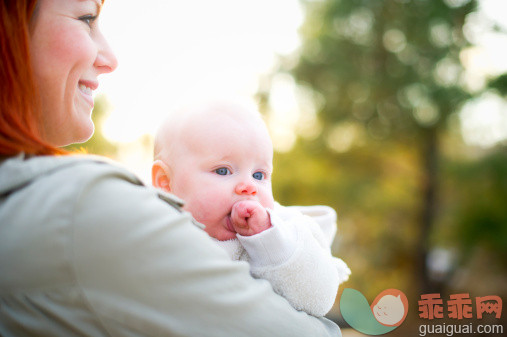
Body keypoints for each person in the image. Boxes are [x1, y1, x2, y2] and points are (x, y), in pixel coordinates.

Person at [0, 1, 342, 336]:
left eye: (260, 175)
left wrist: (274, 242)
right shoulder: (82, 208)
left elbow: (316, 291)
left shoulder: (281, 231)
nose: (110, 58)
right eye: (86, 18)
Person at [152, 100, 351, 317]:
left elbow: (318, 299)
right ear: (165, 182)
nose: (249, 187)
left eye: (259, 175)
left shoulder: (285, 231)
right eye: (223, 171)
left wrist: (269, 241)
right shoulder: (150, 234)